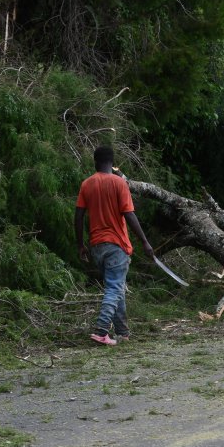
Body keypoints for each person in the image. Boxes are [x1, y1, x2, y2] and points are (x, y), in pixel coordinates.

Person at [75, 146, 154, 346]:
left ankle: (122, 332)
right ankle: (101, 331)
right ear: (112, 162)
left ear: (95, 162)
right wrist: (145, 242)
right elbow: (129, 214)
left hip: (96, 247)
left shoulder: (87, 184)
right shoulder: (119, 183)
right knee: (114, 288)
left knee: (115, 287)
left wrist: (80, 245)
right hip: (116, 245)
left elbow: (78, 216)